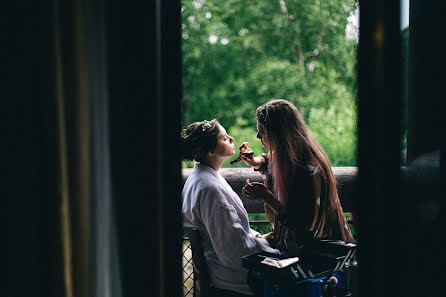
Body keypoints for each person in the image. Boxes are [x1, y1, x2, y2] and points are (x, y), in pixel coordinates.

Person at [241, 99, 354, 257]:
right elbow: (270, 160)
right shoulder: (291, 154)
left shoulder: (309, 170)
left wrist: (267, 196)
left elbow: (302, 225)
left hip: (320, 256)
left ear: (278, 134)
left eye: (263, 131)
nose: (258, 135)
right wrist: (255, 161)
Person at [181, 119, 279, 297]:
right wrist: (266, 242)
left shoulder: (200, 178)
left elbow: (227, 236)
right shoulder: (210, 189)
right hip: (234, 281)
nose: (232, 139)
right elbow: (234, 251)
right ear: (211, 152)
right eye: (225, 138)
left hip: (219, 271)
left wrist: (258, 237)